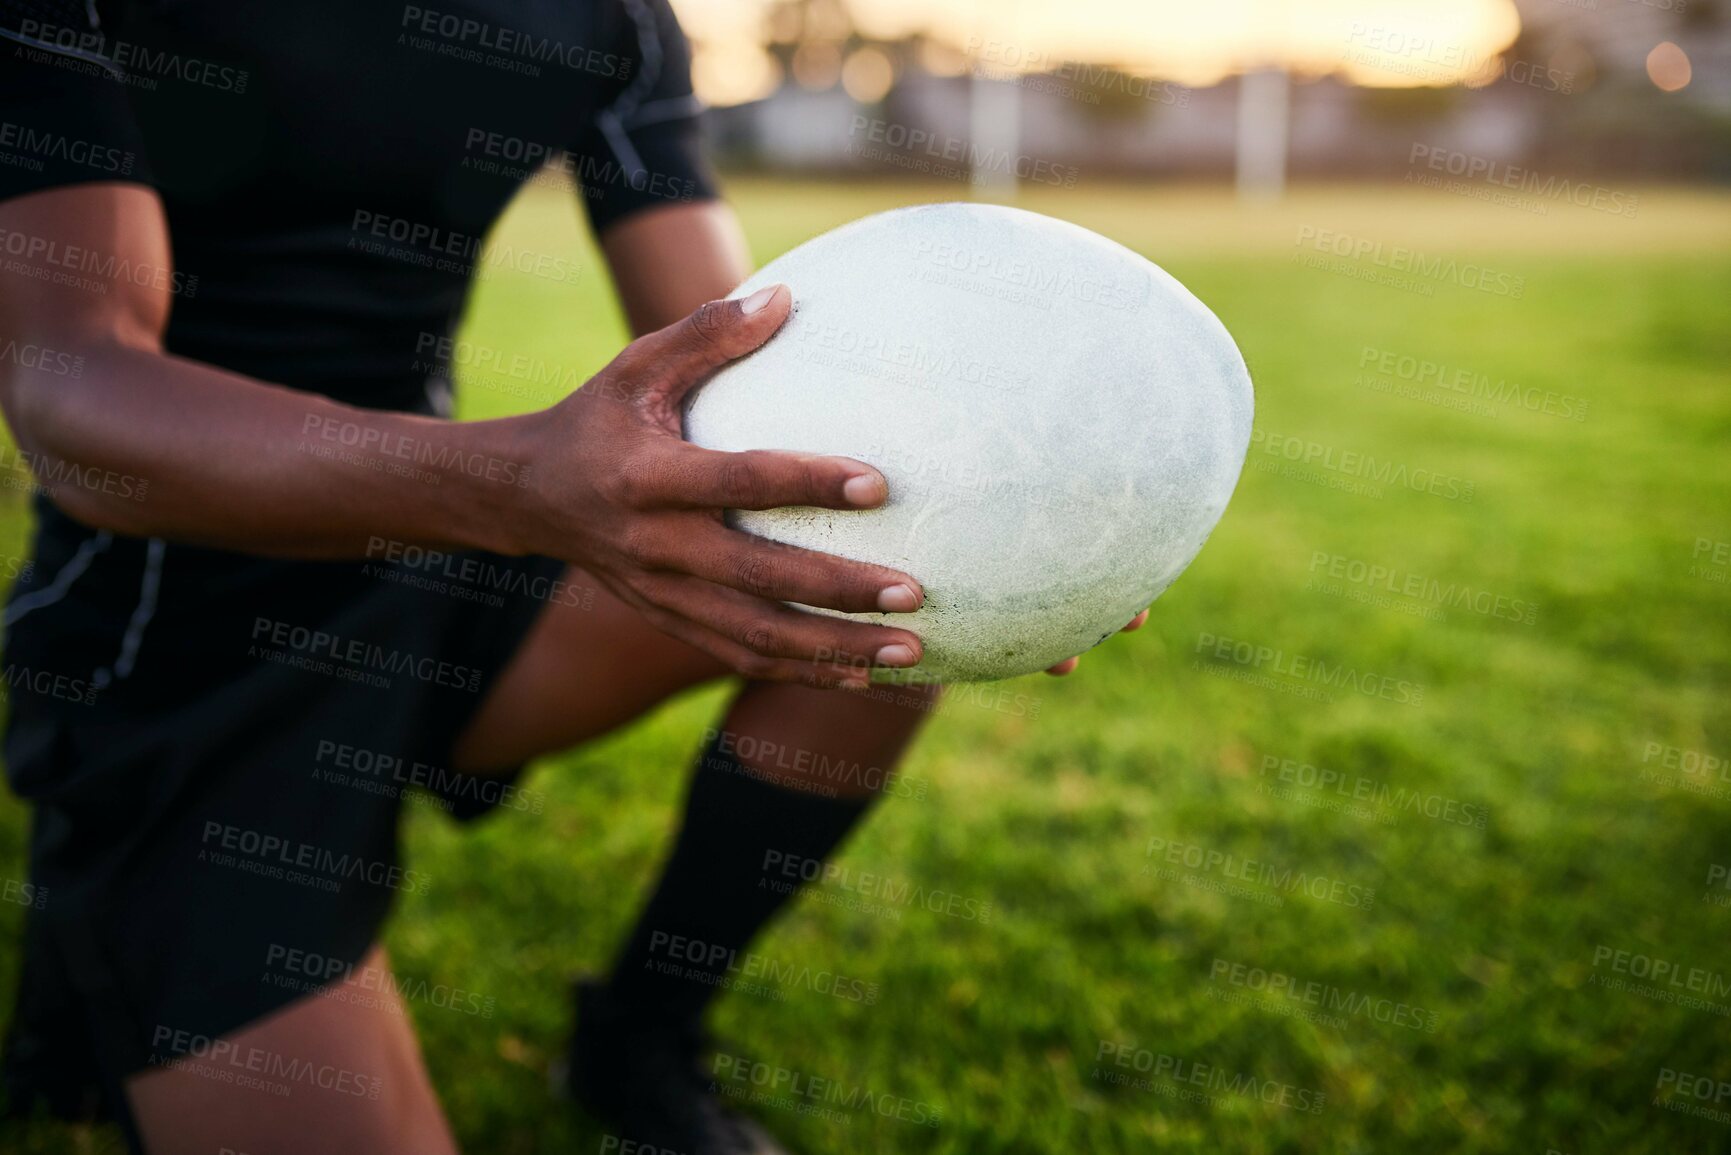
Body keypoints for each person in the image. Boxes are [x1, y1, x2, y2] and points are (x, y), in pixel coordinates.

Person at [0, 2, 1144, 1151]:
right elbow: (76, 394)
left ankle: (637, 1040)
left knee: (864, 603)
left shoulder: (613, 18)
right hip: (182, 635)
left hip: (437, 553)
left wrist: (997, 538)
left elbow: (726, 357)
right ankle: (100, 960)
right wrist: (516, 483)